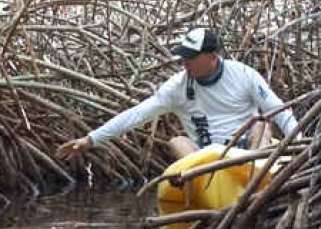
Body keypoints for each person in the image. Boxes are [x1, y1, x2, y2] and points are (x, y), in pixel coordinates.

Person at [54, 27, 298, 162]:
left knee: (263, 125)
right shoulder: (178, 86)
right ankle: (202, 182)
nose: (184, 62)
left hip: (246, 156)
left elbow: (278, 109)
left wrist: (299, 146)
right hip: (205, 161)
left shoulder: (243, 74)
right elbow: (137, 115)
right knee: (176, 142)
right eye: (183, 56)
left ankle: (254, 180)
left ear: (212, 57)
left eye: (191, 57)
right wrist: (90, 140)